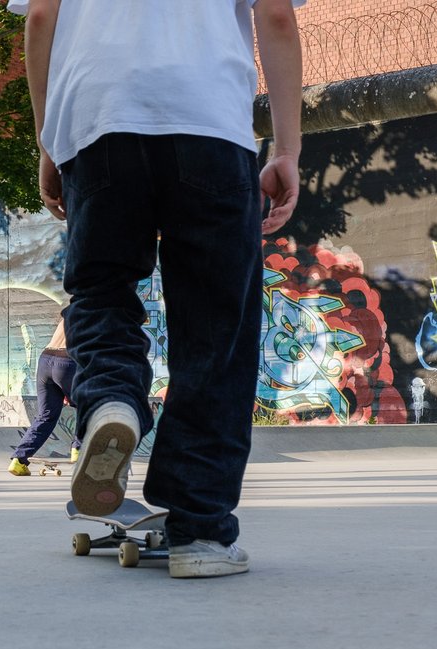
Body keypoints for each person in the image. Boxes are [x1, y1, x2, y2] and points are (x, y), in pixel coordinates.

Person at [19, 0, 302, 577]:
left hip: (97, 122)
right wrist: (288, 150)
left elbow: (41, 17)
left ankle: (112, 401)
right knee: (216, 328)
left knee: (101, 291)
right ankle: (199, 531)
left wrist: (50, 141)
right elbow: (276, 17)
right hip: (211, 125)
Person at [9, 318, 81, 475]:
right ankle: (79, 449)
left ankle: (19, 460)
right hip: (69, 361)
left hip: (46, 359)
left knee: (46, 415)